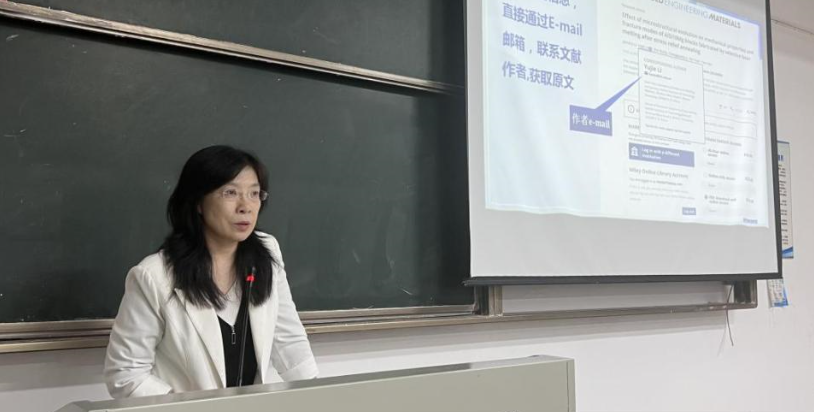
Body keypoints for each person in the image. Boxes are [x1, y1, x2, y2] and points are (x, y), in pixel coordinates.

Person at [104, 145, 317, 398]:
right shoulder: (153, 276)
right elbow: (126, 374)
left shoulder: (266, 253)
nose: (246, 206)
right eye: (230, 193)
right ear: (198, 202)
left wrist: (318, 397)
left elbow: (290, 342)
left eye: (254, 193)